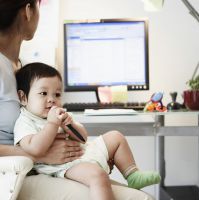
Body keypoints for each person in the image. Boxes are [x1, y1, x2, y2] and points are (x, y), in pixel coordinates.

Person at [0, 0, 155, 199]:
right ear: (28, 11)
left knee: (138, 194)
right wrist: (39, 154)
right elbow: (35, 145)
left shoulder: (26, 70)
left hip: (41, 167)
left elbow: (75, 135)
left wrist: (89, 154)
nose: (51, 99)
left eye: (56, 94)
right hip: (15, 174)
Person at [14, 62, 161, 200]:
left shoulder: (60, 115)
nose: (52, 99)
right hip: (63, 166)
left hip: (83, 152)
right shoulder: (25, 121)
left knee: (116, 137)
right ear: (23, 97)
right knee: (98, 175)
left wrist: (70, 126)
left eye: (57, 94)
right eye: (43, 93)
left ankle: (133, 175)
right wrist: (52, 124)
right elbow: (34, 148)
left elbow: (83, 138)